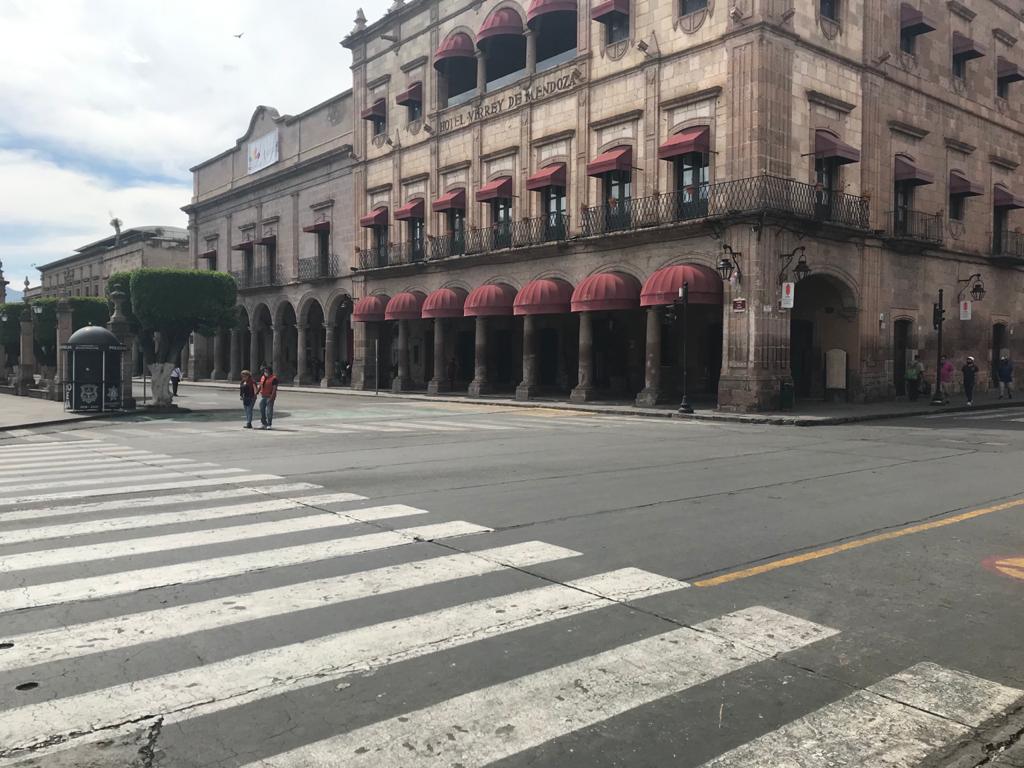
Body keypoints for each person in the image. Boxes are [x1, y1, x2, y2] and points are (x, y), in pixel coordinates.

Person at [257, 365, 279, 429]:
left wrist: (272, 397)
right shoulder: (263, 377)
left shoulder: (274, 378)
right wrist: (257, 392)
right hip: (263, 396)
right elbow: (260, 385)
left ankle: (269, 424)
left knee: (269, 411)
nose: (265, 372)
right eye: (264, 371)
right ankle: (263, 423)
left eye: (266, 371)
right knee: (261, 409)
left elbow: (274, 389)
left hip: (270, 397)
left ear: (270, 372)